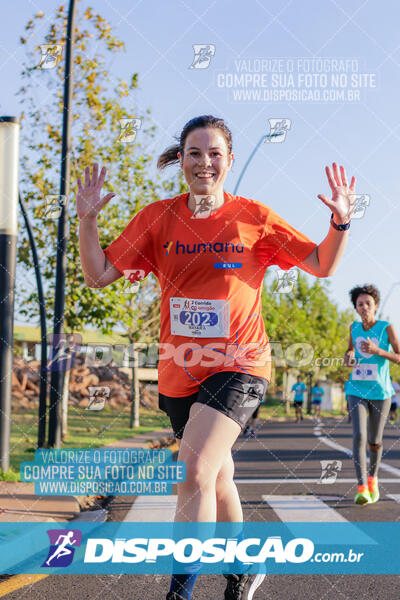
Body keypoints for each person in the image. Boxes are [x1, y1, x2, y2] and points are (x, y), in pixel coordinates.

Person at [77, 114, 356, 600]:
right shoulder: (157, 218)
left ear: (228, 160)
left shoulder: (253, 217)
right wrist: (87, 220)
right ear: (181, 159)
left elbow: (321, 263)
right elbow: (98, 275)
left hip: (240, 364)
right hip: (179, 371)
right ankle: (244, 568)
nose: (204, 162)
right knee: (219, 475)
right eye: (194, 152)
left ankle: (180, 592)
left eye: (214, 153)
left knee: (195, 472)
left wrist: (340, 221)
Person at [344, 284, 400, 505]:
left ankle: (372, 478)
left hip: (381, 392)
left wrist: (378, 351)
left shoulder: (387, 328)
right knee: (359, 436)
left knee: (374, 440)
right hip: (356, 388)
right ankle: (361, 488)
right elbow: (349, 351)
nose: (364, 307)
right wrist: (348, 356)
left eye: (368, 303)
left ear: (375, 306)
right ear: (356, 308)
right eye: (360, 304)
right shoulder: (354, 328)